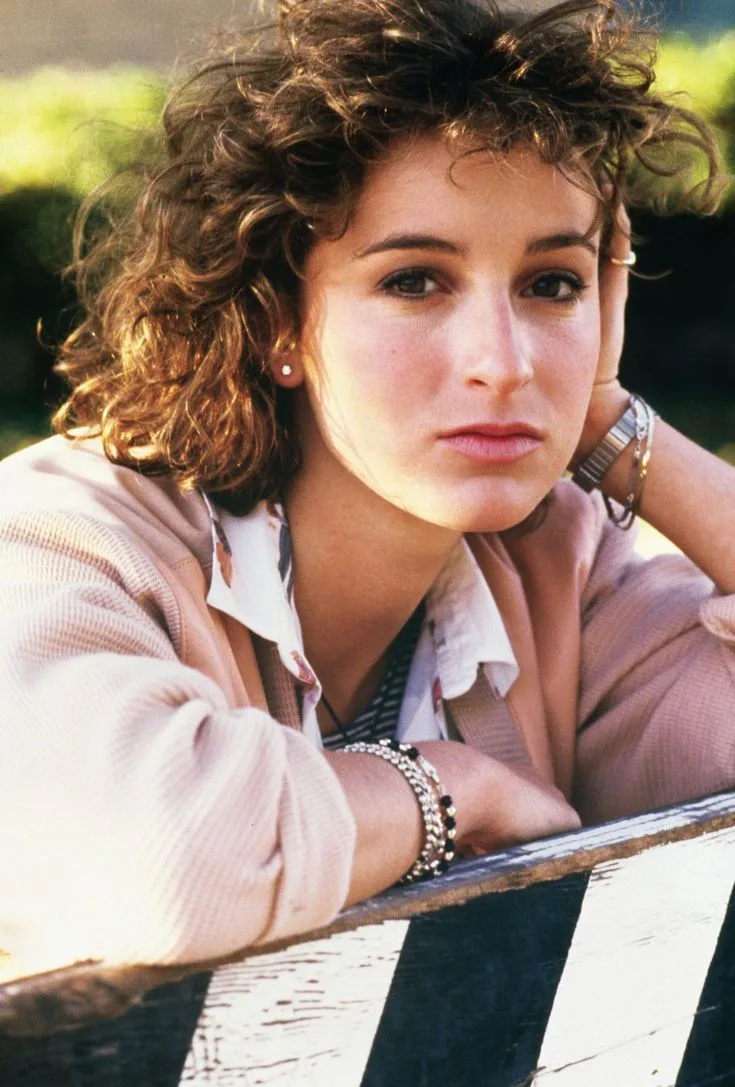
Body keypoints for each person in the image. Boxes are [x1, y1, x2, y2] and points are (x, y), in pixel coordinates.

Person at [1, 0, 733, 979]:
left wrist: (610, 421)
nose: (504, 362)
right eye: (414, 281)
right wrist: (445, 790)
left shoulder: (564, 566)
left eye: (552, 284)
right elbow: (162, 864)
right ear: (278, 319)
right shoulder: (58, 544)